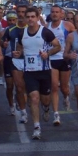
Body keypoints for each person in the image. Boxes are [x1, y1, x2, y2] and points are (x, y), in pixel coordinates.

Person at [13, 7, 61, 140]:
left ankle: (46, 108)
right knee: (34, 98)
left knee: (45, 100)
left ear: (38, 17)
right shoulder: (22, 33)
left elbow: (58, 46)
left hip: (44, 71)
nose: (30, 19)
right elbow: (20, 48)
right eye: (28, 17)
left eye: (32, 17)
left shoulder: (45, 32)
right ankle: (36, 127)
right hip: (29, 72)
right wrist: (18, 53)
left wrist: (48, 53)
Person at [47, 5, 75, 126]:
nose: (54, 14)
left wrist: (72, 53)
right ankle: (56, 114)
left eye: (57, 12)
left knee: (64, 87)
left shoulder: (67, 25)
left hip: (64, 59)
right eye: (52, 12)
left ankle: (66, 97)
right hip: (51, 59)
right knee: (54, 86)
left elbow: (76, 38)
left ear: (61, 14)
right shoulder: (46, 27)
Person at [2, 5, 29, 123]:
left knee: (25, 87)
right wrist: (4, 43)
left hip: (29, 61)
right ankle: (20, 111)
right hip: (13, 60)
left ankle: (21, 101)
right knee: (14, 86)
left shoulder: (33, 28)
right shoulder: (10, 29)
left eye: (24, 12)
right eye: (19, 12)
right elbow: (3, 40)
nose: (21, 14)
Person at [0, 11, 18, 117]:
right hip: (8, 59)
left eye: (13, 20)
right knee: (10, 85)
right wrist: (3, 43)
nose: (12, 22)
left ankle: (19, 101)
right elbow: (1, 43)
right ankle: (11, 105)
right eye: (9, 20)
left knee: (20, 86)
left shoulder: (22, 30)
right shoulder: (5, 31)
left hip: (19, 59)